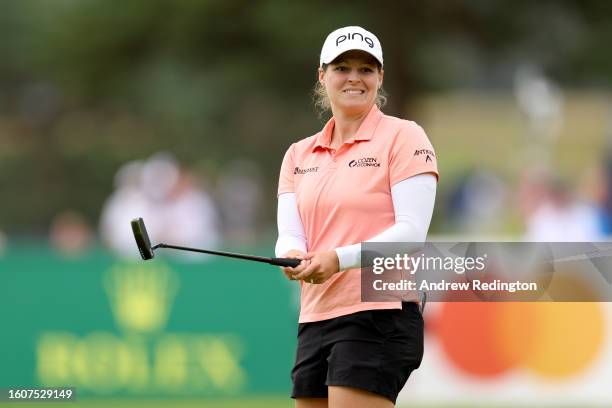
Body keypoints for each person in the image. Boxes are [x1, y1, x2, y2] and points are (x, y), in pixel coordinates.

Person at [275, 26, 439, 408]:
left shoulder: (404, 137)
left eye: (366, 69)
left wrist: (337, 259)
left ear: (380, 77)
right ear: (322, 75)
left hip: (379, 312)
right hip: (316, 314)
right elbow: (290, 232)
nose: (354, 77)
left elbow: (412, 233)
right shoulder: (298, 154)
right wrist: (293, 255)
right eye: (342, 67)